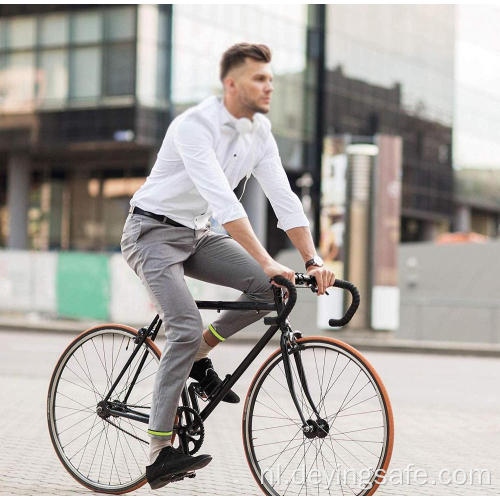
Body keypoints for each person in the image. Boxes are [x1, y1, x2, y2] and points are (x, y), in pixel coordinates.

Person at [121, 42, 335, 490]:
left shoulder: (260, 133)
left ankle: (201, 351)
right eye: (260, 79)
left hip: (197, 235)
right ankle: (159, 451)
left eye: (271, 79)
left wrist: (313, 260)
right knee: (181, 324)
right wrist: (266, 257)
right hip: (151, 233)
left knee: (269, 289)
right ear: (231, 84)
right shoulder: (194, 126)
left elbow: (285, 199)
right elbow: (222, 200)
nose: (269, 87)